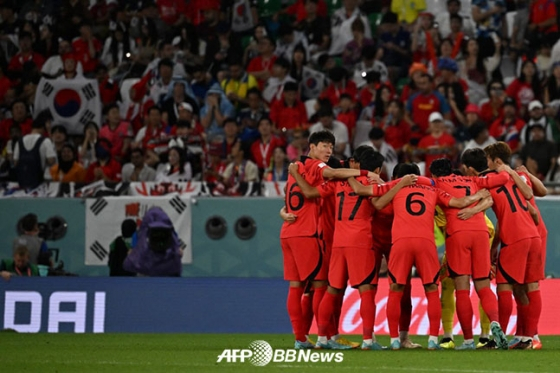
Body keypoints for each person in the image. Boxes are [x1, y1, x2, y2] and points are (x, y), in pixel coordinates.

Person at [352, 162, 490, 350]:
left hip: (401, 242)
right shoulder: (432, 190)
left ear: (398, 177)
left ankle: (394, 340)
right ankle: (433, 340)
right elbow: (458, 202)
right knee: (432, 289)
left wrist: (394, 185)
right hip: (426, 243)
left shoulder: (396, 189)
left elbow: (377, 204)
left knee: (395, 288)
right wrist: (478, 196)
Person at [279, 130, 380, 349]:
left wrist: (283, 210)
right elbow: (330, 173)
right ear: (312, 146)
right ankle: (328, 337)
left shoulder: (298, 167)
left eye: (331, 147)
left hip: (291, 231)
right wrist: (367, 173)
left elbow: (290, 191)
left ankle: (302, 337)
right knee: (322, 287)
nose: (328, 150)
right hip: (319, 236)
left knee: (301, 287)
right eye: (324, 145)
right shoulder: (320, 169)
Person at [430, 158, 509, 350]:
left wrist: (468, 206)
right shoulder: (472, 180)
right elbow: (500, 182)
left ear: (434, 175)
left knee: (462, 288)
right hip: (482, 233)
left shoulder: (437, 185)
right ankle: (495, 323)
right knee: (483, 285)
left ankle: (467, 340)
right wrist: (504, 170)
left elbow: (457, 202)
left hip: (458, 234)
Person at [483, 142, 542, 349]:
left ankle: (502, 339)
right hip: (533, 235)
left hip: (515, 238)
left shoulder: (491, 181)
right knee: (528, 286)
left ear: (496, 161)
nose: (486, 163)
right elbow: (534, 197)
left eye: (488, 159)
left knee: (504, 287)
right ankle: (529, 337)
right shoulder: (521, 177)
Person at [123, 206, 182, 277]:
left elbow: (132, 254)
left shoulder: (139, 234)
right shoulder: (172, 233)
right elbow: (179, 252)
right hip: (167, 273)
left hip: (145, 272)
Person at [13, 113, 57, 189]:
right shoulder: (46, 141)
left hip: (22, 181)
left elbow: (15, 162)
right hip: (40, 182)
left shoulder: (19, 141)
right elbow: (51, 161)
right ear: (43, 128)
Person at [418, 112, 456, 176]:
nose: (436, 124)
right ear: (429, 124)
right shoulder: (424, 141)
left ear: (442, 123)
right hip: (429, 175)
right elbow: (418, 156)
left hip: (447, 175)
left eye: (438, 122)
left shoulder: (450, 139)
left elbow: (454, 155)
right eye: (434, 122)